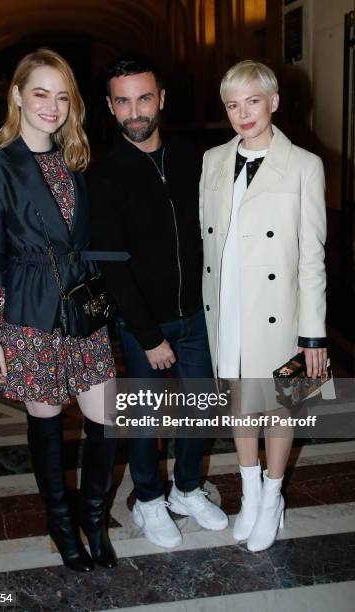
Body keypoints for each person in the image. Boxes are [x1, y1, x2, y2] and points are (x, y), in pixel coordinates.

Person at [0, 48, 118, 571]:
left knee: (106, 418)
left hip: (81, 305)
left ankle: (94, 518)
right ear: (17, 96)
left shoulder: (77, 160)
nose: (52, 106)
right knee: (47, 424)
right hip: (29, 311)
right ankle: (62, 524)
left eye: (61, 96)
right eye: (40, 93)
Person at [88, 56, 228, 549]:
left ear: (161, 98)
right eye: (122, 101)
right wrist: (149, 336)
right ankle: (149, 499)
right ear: (109, 106)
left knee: (201, 410)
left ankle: (186, 489)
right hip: (141, 323)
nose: (135, 111)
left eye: (143, 98)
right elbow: (112, 267)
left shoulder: (192, 156)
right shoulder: (103, 174)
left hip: (198, 315)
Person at [200, 60, 328, 552]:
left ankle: (273, 496)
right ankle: (249, 492)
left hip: (283, 311)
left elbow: (313, 257)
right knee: (239, 402)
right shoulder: (213, 159)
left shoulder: (304, 165)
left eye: (253, 100)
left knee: (280, 407)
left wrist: (313, 334)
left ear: (274, 102)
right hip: (227, 304)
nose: (242, 113)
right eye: (232, 104)